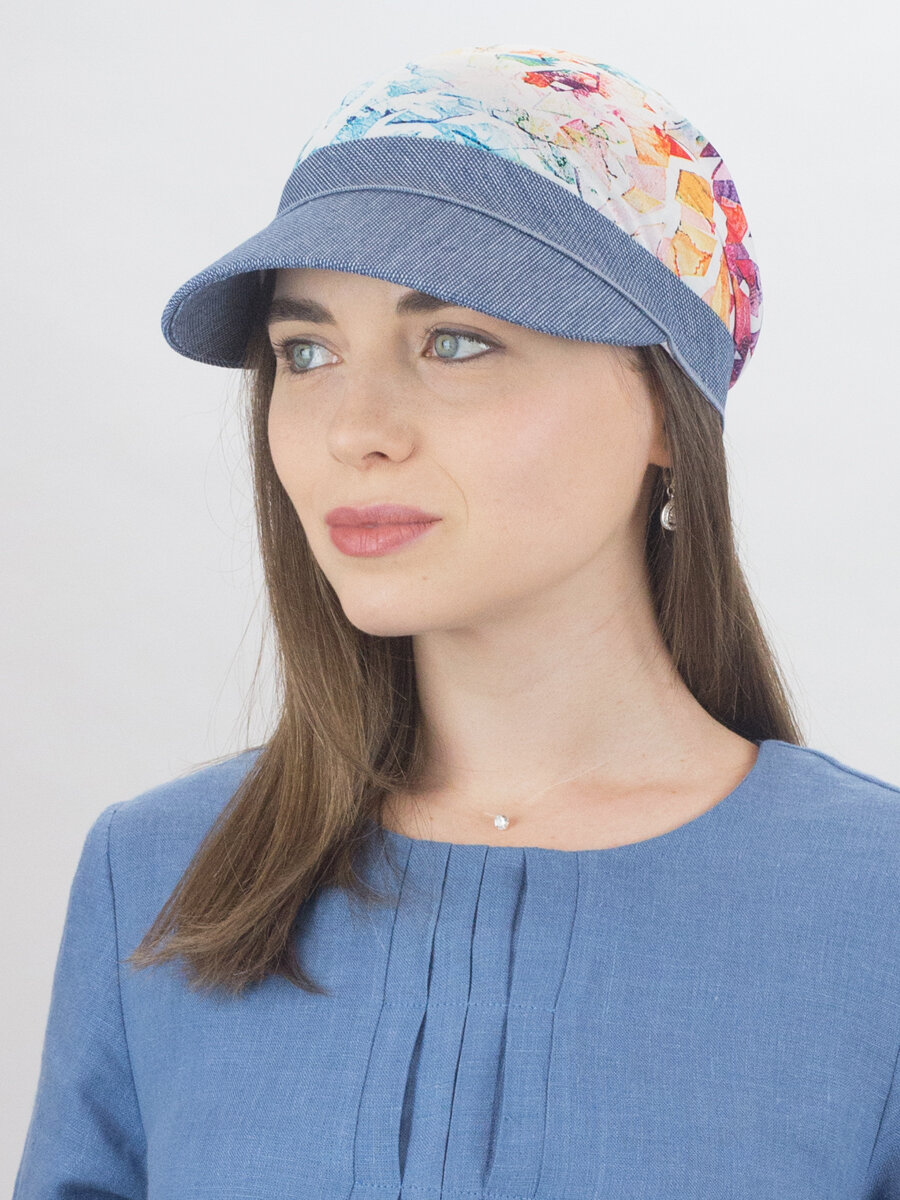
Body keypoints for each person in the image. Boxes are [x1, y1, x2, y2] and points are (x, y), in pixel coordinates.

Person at [13, 43, 900, 1199]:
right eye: (307, 352)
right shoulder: (158, 877)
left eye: (455, 342)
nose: (354, 429)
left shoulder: (873, 907)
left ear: (665, 409)